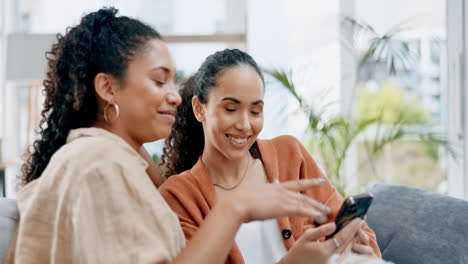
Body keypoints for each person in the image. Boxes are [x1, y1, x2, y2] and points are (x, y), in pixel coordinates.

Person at [6, 7, 351, 264]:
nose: (174, 95)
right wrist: (237, 207)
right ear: (107, 87)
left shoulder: (113, 160)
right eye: (159, 81)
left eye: (174, 81)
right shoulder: (96, 164)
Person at [159, 49, 383, 264]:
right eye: (231, 109)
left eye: (255, 111)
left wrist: (359, 247)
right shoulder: (179, 197)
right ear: (199, 108)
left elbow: (354, 230)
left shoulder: (290, 155)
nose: (245, 125)